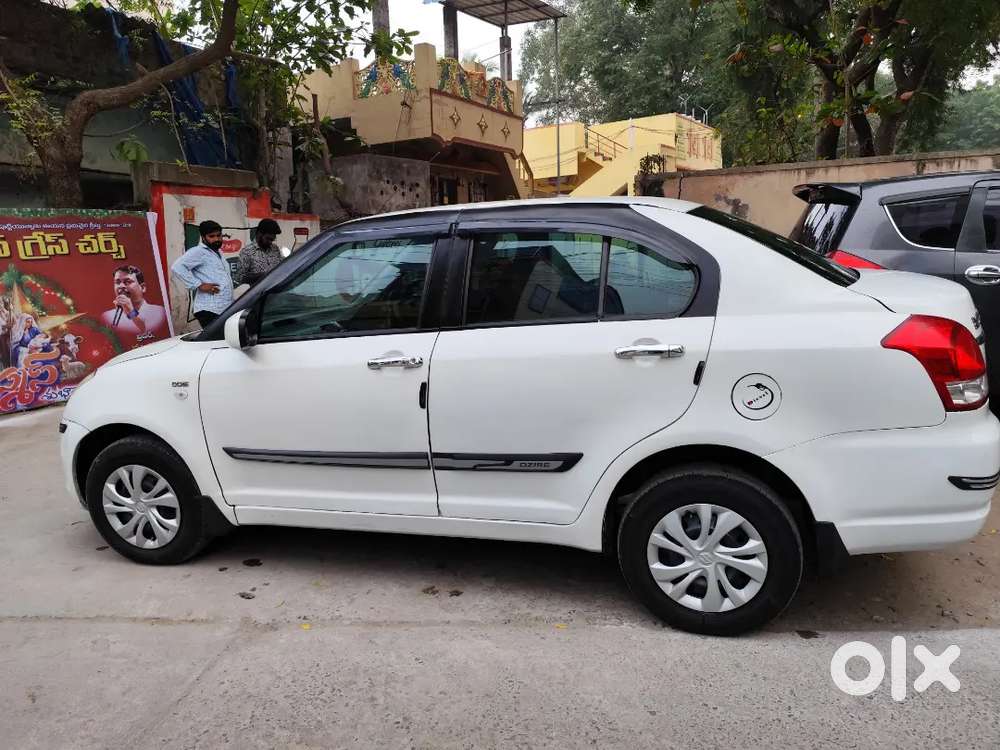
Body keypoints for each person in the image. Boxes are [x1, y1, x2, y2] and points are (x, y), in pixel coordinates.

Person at [171, 220, 234, 329]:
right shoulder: (199, 251)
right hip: (209, 309)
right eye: (212, 236)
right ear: (203, 237)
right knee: (216, 342)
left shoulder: (217, 252)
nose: (217, 239)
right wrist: (199, 285)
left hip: (223, 308)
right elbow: (177, 267)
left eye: (219, 235)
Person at [99, 265, 169, 343]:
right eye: (117, 282)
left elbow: (146, 330)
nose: (121, 286)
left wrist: (130, 311)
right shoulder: (107, 316)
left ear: (142, 287)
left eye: (128, 282)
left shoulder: (160, 312)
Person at [235, 218, 284, 287]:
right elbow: (240, 278)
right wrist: (261, 276)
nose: (270, 242)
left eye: (272, 240)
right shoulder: (247, 252)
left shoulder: (275, 249)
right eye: (268, 239)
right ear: (259, 234)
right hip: (258, 294)